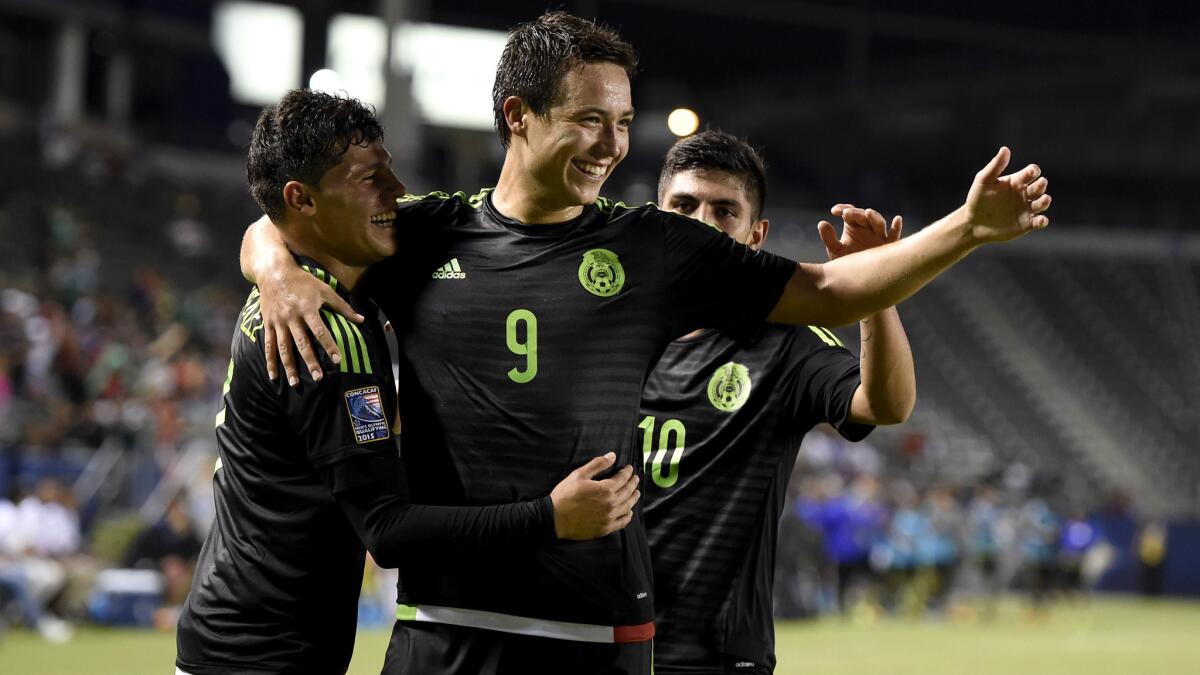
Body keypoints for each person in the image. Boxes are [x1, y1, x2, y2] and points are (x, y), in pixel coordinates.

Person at [240, 12, 1051, 674]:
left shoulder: (657, 247)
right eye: (590, 119)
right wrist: (277, 268)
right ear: (518, 115)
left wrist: (967, 229)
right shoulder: (421, 234)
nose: (612, 143)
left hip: (596, 632)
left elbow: (833, 289)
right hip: (441, 626)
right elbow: (289, 219)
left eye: (623, 122)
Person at [175, 89, 639, 675]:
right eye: (370, 177)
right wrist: (549, 516)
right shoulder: (326, 328)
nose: (396, 188)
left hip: (236, 639)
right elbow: (387, 531)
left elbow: (268, 225)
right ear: (303, 200)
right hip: (261, 656)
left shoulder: (296, 292)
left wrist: (270, 262)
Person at [640, 130, 912, 674]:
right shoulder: (613, 329)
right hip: (601, 643)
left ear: (755, 235)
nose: (701, 223)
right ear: (657, 215)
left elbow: (885, 405)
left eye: (724, 211)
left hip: (713, 657)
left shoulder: (784, 340)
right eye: (684, 205)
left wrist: (874, 294)